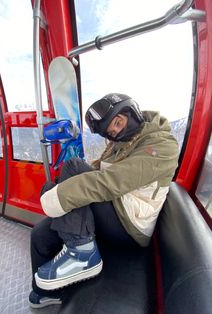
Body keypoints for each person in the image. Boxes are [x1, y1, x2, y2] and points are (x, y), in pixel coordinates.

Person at [29, 93, 179, 308]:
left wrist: (59, 195)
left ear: (131, 111)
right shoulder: (122, 142)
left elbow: (109, 181)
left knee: (73, 167)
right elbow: (100, 169)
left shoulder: (161, 145)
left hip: (130, 226)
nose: (116, 131)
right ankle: (43, 292)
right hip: (114, 208)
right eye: (111, 131)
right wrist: (58, 190)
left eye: (118, 122)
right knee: (41, 233)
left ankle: (82, 252)